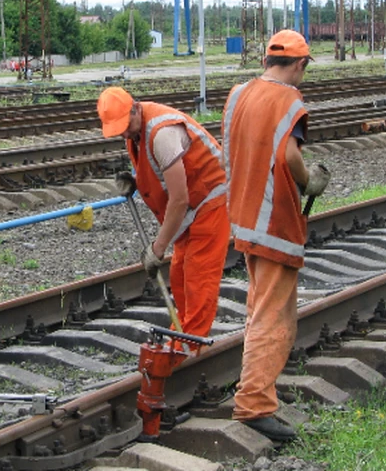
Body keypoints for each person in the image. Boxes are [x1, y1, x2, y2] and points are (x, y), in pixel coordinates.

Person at [222, 30, 330, 443]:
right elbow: (288, 155)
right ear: (300, 64)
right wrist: (310, 183)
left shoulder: (239, 93)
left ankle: (254, 390)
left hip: (245, 214)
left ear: (267, 59)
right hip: (274, 221)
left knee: (258, 307)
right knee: (274, 316)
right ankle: (253, 405)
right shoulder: (289, 100)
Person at [96, 86, 229, 339]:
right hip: (188, 211)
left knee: (198, 278)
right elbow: (159, 173)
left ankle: (191, 344)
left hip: (210, 201)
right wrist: (137, 181)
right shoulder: (135, 131)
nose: (123, 132)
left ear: (135, 108)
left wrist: (158, 248)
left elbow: (179, 199)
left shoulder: (162, 134)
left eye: (125, 125)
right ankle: (183, 333)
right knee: (179, 275)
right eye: (118, 129)